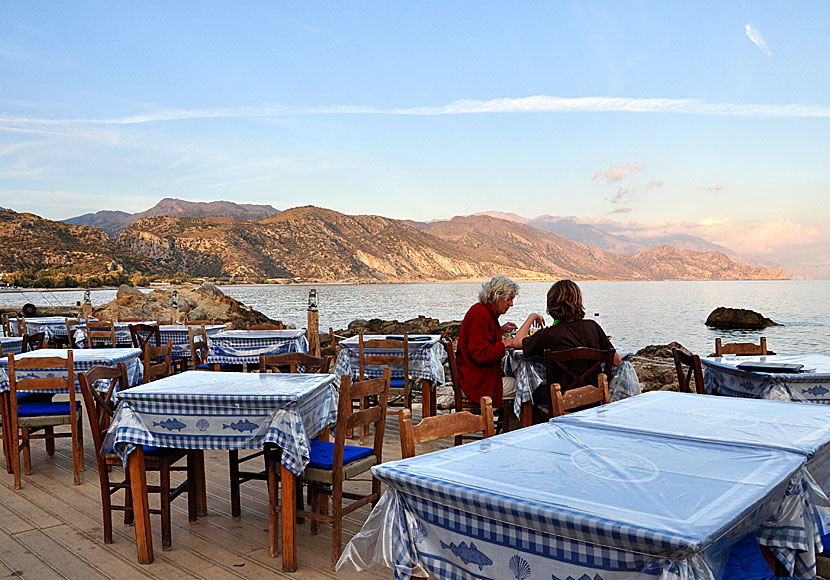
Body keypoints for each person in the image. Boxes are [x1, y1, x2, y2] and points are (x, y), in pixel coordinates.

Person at [522, 279, 621, 409]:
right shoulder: (593, 327)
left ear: (551, 304)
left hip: (561, 397)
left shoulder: (548, 334)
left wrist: (532, 316)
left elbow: (518, 342)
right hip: (594, 397)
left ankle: (537, 426)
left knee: (531, 392)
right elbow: (617, 361)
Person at [456, 274, 545, 408]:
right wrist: (507, 343)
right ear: (494, 296)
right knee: (528, 385)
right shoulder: (481, 315)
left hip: (474, 376)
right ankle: (519, 426)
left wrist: (500, 329)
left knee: (523, 383)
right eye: (508, 299)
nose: (511, 304)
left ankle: (510, 424)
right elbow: (480, 354)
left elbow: (483, 337)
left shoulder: (483, 311)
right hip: (477, 383)